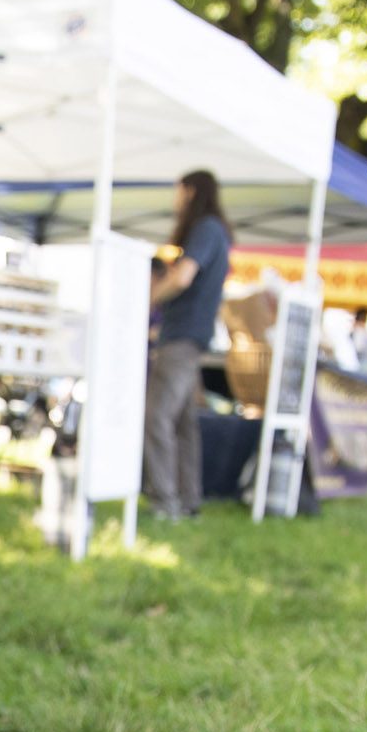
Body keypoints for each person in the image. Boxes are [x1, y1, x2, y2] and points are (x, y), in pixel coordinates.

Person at [143, 169, 231, 518]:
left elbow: (183, 276)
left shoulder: (205, 229)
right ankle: (187, 499)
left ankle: (166, 501)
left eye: (178, 191)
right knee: (182, 422)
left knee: (157, 417)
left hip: (181, 337)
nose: (175, 200)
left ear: (191, 191)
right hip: (191, 337)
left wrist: (151, 299)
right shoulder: (215, 231)